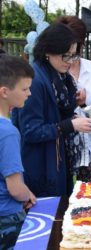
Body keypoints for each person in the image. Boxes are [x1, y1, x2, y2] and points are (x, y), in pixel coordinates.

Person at [12, 23, 91, 197]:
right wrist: (71, 125)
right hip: (40, 165)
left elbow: (56, 113)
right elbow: (31, 131)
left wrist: (74, 103)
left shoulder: (59, 77)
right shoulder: (36, 81)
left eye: (73, 56)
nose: (70, 62)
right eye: (65, 56)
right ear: (47, 52)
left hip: (57, 160)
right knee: (49, 216)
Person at [56, 15, 91, 182]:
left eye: (78, 43)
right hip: (61, 147)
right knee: (63, 198)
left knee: (88, 197)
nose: (74, 49)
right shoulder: (52, 72)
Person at [0, 54, 37, 249]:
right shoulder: (7, 132)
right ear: (5, 92)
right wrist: (28, 195)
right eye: (25, 88)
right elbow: (15, 189)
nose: (29, 93)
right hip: (7, 219)